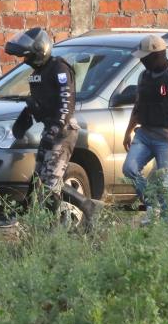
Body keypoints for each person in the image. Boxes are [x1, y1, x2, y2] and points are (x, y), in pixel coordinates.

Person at [6, 28, 100, 226]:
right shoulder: (38, 73)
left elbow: (67, 100)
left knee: (50, 185)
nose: (25, 60)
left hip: (63, 131)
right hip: (50, 129)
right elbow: (40, 103)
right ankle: (41, 219)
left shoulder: (59, 68)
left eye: (28, 55)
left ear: (40, 50)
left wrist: (58, 126)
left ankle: (62, 222)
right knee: (40, 180)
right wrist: (24, 120)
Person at [120, 35, 168, 219]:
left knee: (167, 185)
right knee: (129, 168)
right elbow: (138, 107)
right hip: (145, 134)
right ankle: (151, 201)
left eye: (145, 56)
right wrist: (128, 131)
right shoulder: (143, 76)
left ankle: (167, 224)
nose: (142, 60)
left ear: (156, 55)